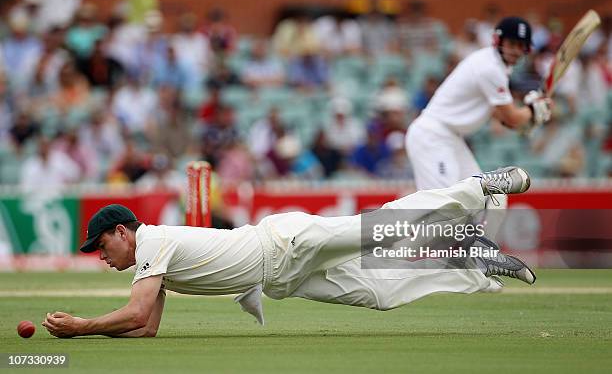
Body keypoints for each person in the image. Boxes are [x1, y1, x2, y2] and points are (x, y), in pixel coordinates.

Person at [42, 166, 535, 338]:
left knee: (381, 228)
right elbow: (145, 326)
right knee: (381, 295)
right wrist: (87, 332)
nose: (101, 255)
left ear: (124, 232)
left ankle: (476, 186)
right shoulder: (154, 264)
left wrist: (81, 327)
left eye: (101, 244)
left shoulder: (151, 241)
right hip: (281, 279)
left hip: (283, 241)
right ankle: (467, 261)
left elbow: (134, 314)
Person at [405, 17, 554, 241]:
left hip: (451, 138)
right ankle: (393, 255)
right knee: (443, 208)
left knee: (493, 196)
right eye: (511, 44)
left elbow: (503, 117)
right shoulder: (490, 68)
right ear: (498, 41)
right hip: (432, 136)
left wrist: (529, 116)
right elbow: (512, 117)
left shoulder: (496, 68)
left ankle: (482, 256)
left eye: (521, 45)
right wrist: (533, 111)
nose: (515, 50)